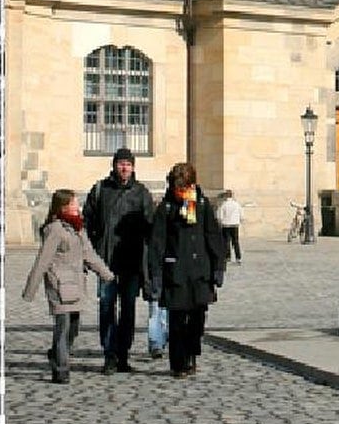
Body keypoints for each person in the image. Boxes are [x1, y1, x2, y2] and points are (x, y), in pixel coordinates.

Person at [22, 189, 114, 383]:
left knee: (73, 328)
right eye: (74, 203)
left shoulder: (78, 228)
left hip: (76, 286)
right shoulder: (55, 230)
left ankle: (56, 354)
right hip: (59, 286)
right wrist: (30, 290)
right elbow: (43, 260)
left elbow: (90, 255)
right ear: (63, 206)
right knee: (63, 327)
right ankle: (61, 370)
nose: (77, 206)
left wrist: (107, 275)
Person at [147, 162, 225, 379]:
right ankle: (179, 363)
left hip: (200, 272)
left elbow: (213, 236)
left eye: (184, 188)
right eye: (177, 188)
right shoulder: (166, 208)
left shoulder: (201, 205)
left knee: (198, 318)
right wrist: (155, 275)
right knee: (177, 321)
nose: (181, 192)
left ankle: (192, 352)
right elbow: (156, 243)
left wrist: (218, 266)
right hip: (176, 273)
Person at [83, 147, 155, 374]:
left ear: (133, 167)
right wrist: (94, 249)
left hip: (131, 261)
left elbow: (150, 226)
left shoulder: (141, 193)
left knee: (128, 309)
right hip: (106, 260)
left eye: (128, 164)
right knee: (106, 307)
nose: (124, 168)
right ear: (114, 165)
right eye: (121, 163)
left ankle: (123, 353)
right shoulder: (100, 190)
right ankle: (109, 354)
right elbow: (88, 220)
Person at [216, 189, 243, 263]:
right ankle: (238, 257)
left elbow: (220, 216)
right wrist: (240, 220)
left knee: (226, 242)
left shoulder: (223, 205)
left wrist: (220, 222)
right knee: (236, 241)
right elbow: (241, 214)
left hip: (226, 225)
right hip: (235, 225)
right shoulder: (237, 204)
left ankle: (227, 257)